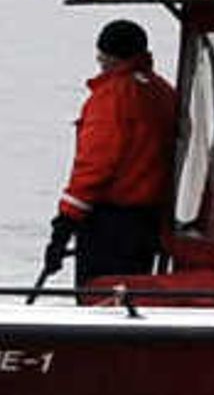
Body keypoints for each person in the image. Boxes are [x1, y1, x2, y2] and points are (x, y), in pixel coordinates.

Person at [57, 17, 178, 287]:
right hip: (150, 220)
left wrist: (65, 221)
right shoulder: (164, 93)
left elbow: (95, 164)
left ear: (108, 55)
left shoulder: (111, 97)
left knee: (99, 296)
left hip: (110, 222)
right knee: (136, 293)